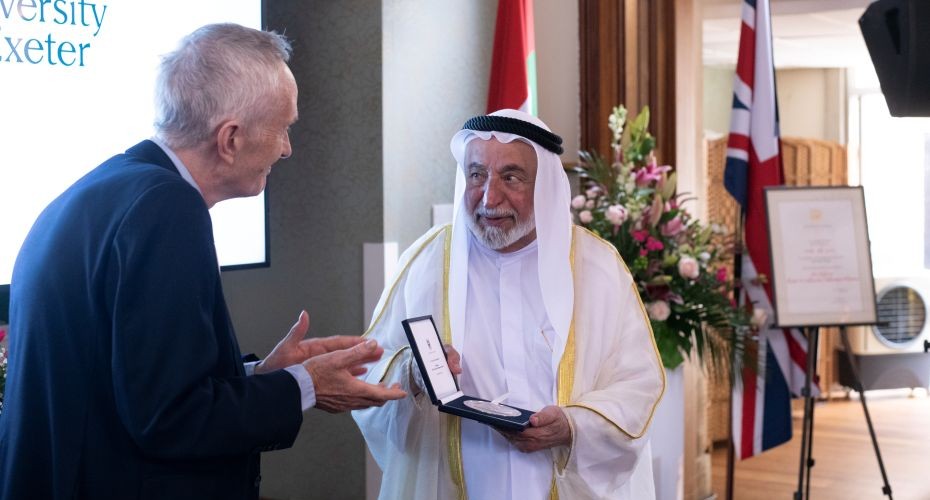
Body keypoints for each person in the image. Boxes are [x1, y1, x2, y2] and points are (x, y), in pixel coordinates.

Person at [0, 23, 405, 500]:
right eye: (284, 128)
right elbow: (169, 419)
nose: (287, 148)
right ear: (230, 138)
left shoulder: (108, 187)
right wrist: (305, 386)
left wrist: (262, 376)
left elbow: (132, 382)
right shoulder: (167, 210)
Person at [353, 109, 666, 499]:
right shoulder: (428, 262)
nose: (489, 197)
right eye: (477, 174)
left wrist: (573, 426)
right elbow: (369, 371)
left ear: (546, 186)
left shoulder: (597, 268)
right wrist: (413, 374)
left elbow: (638, 384)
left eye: (511, 177)